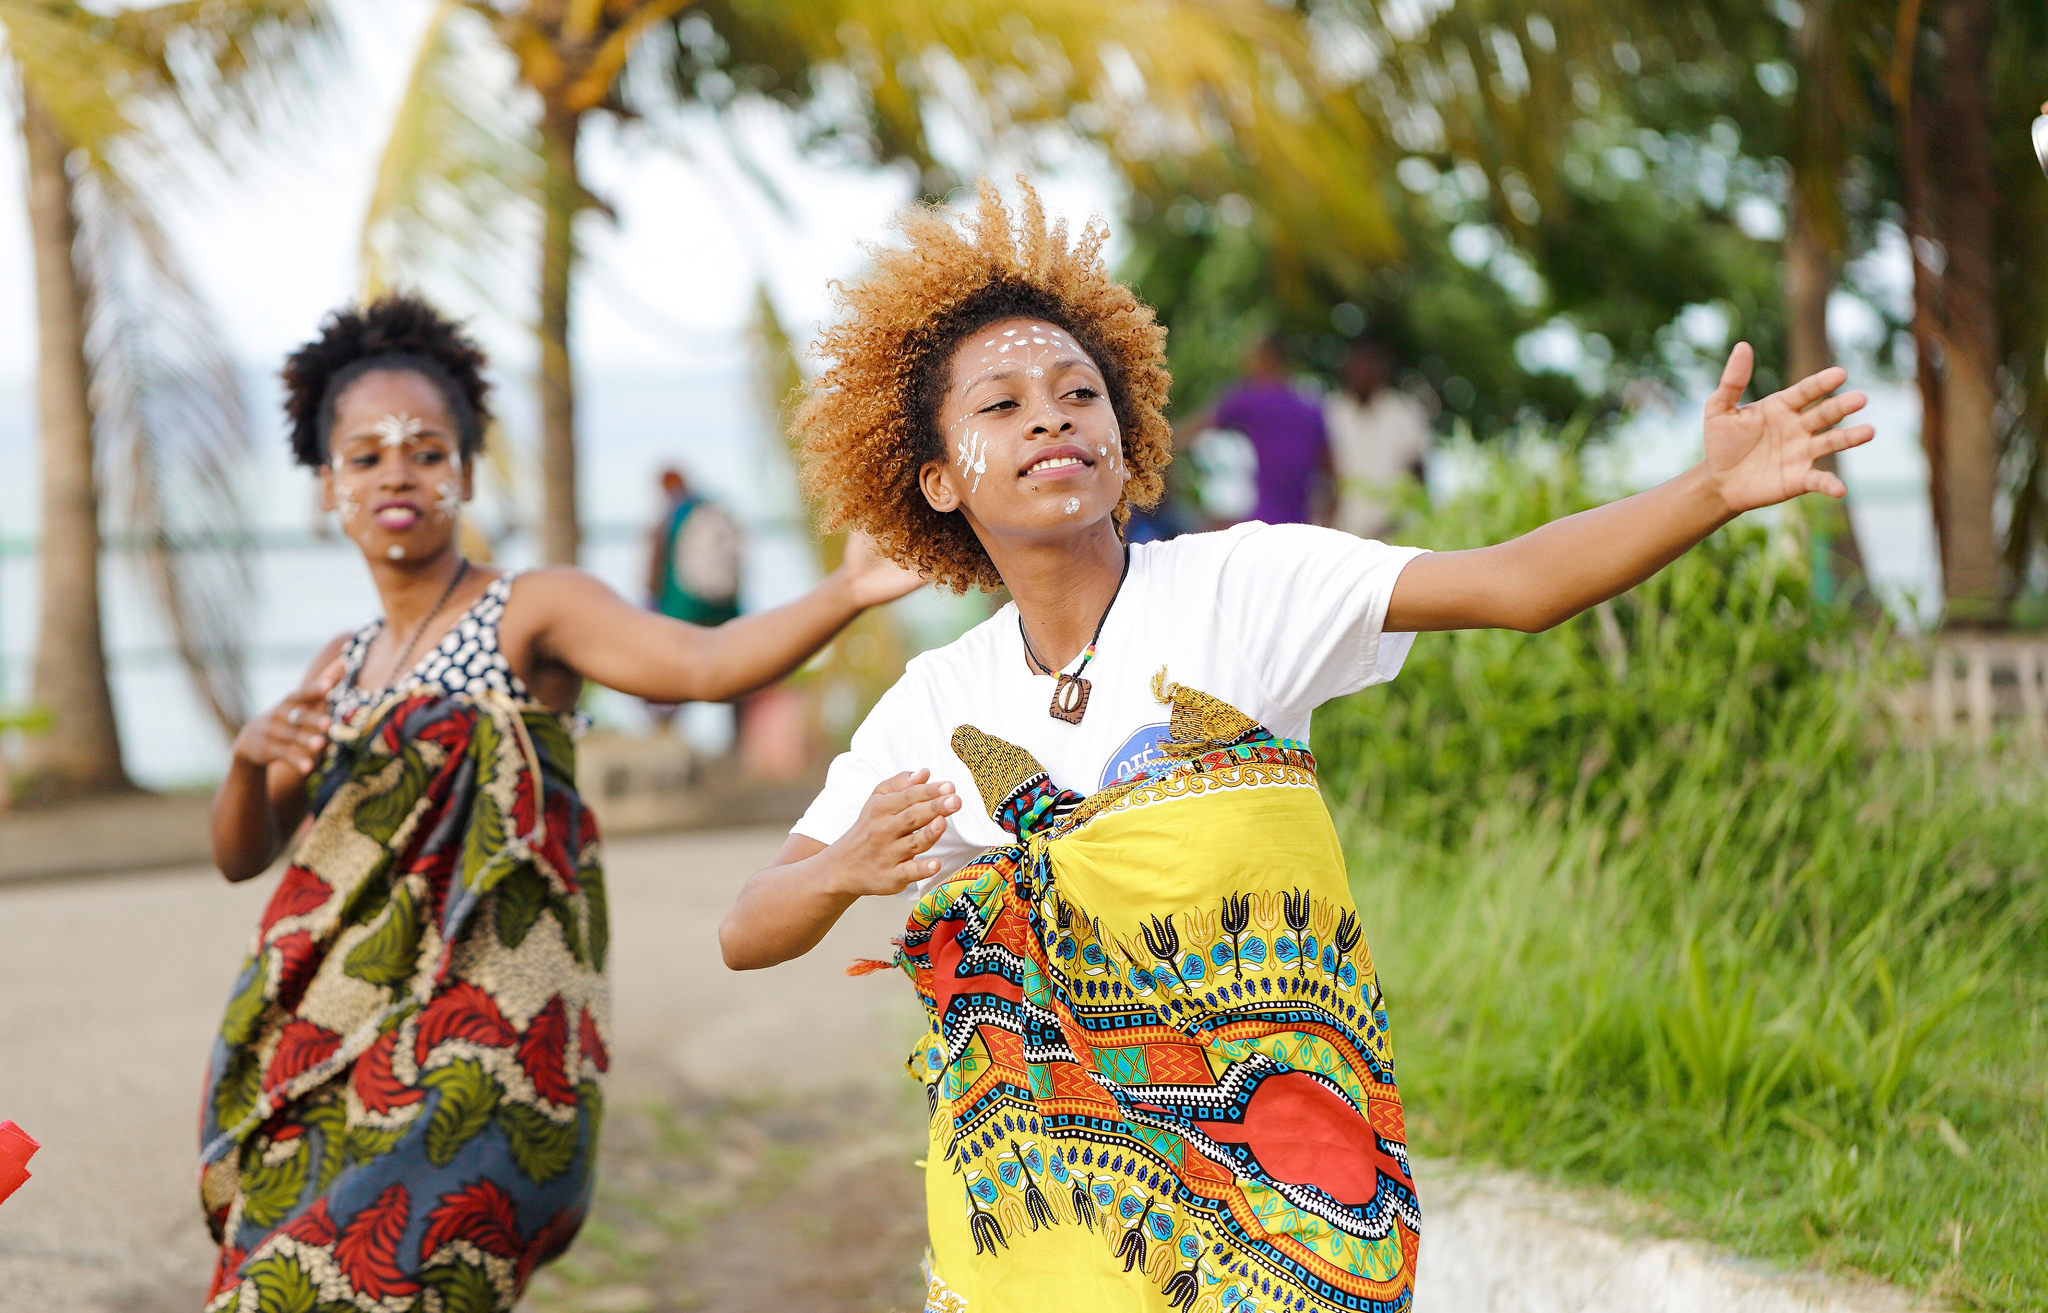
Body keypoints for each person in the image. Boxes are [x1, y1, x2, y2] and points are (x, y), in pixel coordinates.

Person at [715, 179, 1872, 1313]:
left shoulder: (1244, 587)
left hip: (1281, 1216)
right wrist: (841, 868)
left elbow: (1514, 585)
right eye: (1001, 406)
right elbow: (746, 929)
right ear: (935, 480)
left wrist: (1707, 490)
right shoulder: (935, 702)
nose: (1050, 419)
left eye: (1078, 393)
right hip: (1049, 1247)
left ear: (1125, 436)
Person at [201, 294, 921, 1313]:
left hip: (479, 1050)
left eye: (426, 450)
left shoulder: (529, 610)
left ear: (464, 471)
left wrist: (842, 593)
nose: (396, 473)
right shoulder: (339, 666)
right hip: (339, 1044)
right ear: (327, 485)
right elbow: (248, 854)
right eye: (364, 456)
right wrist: (246, 762)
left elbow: (701, 662)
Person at [1205, 334, 1332, 526]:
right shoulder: (1311, 407)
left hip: (1260, 519)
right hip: (1300, 522)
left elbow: (1200, 426)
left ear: (1265, 359)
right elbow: (1330, 469)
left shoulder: (1250, 399)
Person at [1323, 336, 1433, 539]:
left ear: (1382, 369)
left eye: (1370, 364)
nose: (1363, 371)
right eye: (1358, 364)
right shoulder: (1331, 413)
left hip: (1396, 535)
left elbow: (1417, 475)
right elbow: (1325, 478)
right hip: (1344, 533)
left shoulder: (1403, 414)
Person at [646, 466, 744, 628]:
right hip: (724, 608)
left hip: (682, 609)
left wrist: (651, 596)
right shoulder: (712, 508)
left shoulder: (672, 516)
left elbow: (656, 561)